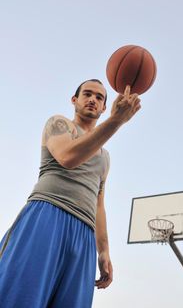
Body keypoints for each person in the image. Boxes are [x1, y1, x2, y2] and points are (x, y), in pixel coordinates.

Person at [0, 79, 141, 308]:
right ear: (74, 100)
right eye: (87, 94)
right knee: (21, 298)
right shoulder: (59, 124)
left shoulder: (105, 158)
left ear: (104, 107)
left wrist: (104, 250)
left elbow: (98, 204)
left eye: (99, 97)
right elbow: (67, 157)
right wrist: (116, 121)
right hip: (47, 215)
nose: (93, 99)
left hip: (84, 234)